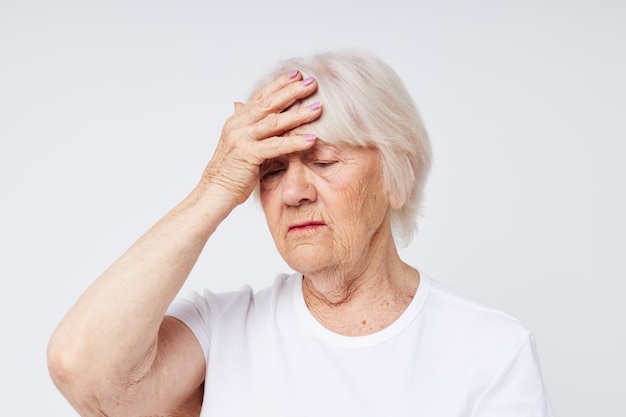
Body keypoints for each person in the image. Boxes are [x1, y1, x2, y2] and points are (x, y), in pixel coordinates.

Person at [47, 50, 554, 417]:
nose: (292, 192)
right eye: (269, 171)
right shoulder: (221, 333)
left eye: (324, 160)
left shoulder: (490, 352)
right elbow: (80, 367)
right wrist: (217, 184)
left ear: (397, 177)